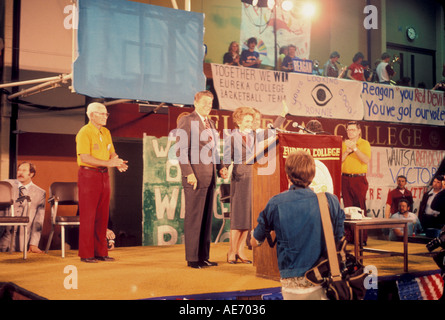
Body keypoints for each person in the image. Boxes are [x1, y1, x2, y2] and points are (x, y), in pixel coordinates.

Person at [251, 150, 345, 300]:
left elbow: (255, 242)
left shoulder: (275, 203)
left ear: (288, 176)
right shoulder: (331, 201)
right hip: (324, 279)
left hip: (291, 283)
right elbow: (339, 238)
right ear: (313, 176)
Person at [175, 90, 229, 269]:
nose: (208, 106)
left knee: (206, 219)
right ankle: (192, 258)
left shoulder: (211, 123)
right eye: (204, 102)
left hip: (209, 176)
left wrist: (220, 167)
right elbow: (181, 151)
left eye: (210, 103)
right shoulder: (187, 120)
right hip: (195, 177)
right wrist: (188, 173)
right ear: (196, 103)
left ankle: (203, 257)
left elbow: (214, 150)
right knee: (194, 218)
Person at [76, 102, 128, 263]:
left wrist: (117, 162)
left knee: (103, 215)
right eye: (102, 113)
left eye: (106, 114)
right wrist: (109, 163)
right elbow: (85, 157)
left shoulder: (105, 132)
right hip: (88, 175)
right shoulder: (84, 132)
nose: (105, 116)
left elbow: (111, 153)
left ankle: (101, 251)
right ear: (91, 115)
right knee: (88, 216)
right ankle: (86, 254)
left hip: (104, 176)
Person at [224, 107, 256, 264]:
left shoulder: (256, 136)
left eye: (251, 120)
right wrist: (223, 169)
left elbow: (272, 136)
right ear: (238, 121)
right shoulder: (232, 137)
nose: (250, 123)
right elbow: (226, 158)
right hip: (239, 179)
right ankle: (231, 251)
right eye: (247, 121)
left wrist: (283, 116)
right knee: (238, 217)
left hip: (254, 179)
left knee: (248, 218)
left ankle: (241, 251)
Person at [0, 162, 46, 253]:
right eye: (19, 170)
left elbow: (38, 220)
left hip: (22, 238)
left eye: (24, 170)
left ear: (31, 174)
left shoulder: (40, 193)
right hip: (3, 234)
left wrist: (34, 244)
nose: (20, 173)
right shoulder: (6, 184)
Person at [341, 121, 371, 243]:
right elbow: (339, 161)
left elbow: (365, 160)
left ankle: (362, 238)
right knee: (348, 209)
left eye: (353, 130)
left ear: (359, 131)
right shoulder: (343, 144)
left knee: (359, 207)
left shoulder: (364, 143)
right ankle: (350, 237)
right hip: (345, 178)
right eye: (348, 130)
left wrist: (354, 148)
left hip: (359, 179)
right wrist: (347, 151)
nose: (350, 132)